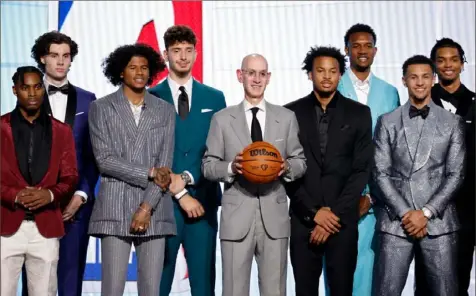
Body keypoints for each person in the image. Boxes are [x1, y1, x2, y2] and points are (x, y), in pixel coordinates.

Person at [202, 53, 306, 296]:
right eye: (251, 73)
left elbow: (300, 161)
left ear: (268, 78)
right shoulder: (222, 119)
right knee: (234, 291)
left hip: (275, 218)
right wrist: (231, 167)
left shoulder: (286, 117)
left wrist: (286, 167)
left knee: (274, 292)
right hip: (236, 216)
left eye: (262, 74)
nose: (256, 79)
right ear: (240, 76)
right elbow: (208, 166)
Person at [372, 55, 465, 296]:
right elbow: (380, 174)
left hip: (438, 222)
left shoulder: (452, 122)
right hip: (396, 222)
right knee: (385, 292)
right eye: (414, 77)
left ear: (434, 80)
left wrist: (425, 213)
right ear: (404, 81)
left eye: (425, 76)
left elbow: (456, 174)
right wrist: (407, 214)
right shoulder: (387, 121)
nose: (420, 83)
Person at [87, 43, 175, 296]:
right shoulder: (101, 108)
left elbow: (165, 167)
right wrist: (148, 171)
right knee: (112, 290)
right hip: (115, 207)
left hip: (154, 208)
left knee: (151, 290)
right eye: (132, 67)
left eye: (144, 67)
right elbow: (104, 160)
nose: (139, 72)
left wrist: (146, 207)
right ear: (120, 72)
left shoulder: (165, 111)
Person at [284, 46, 372, 296]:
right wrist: (314, 213)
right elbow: (285, 169)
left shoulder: (359, 114)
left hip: (342, 221)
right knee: (305, 290)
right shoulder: (290, 112)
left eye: (333, 71)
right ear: (309, 74)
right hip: (303, 220)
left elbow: (361, 170)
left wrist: (332, 215)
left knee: (342, 289)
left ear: (340, 75)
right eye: (320, 70)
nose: (326, 76)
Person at [322, 23, 400, 296]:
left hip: (376, 199)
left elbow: (393, 151)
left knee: (369, 269)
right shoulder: (333, 86)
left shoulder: (389, 93)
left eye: (368, 45)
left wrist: (374, 197)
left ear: (376, 51)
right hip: (339, 196)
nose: (362, 50)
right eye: (356, 45)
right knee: (338, 271)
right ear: (346, 50)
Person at [148, 25, 227, 296]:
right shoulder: (151, 97)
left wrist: (189, 177)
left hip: (203, 200)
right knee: (158, 281)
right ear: (165, 54)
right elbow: (148, 151)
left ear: (196, 53)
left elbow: (219, 149)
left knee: (203, 283)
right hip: (160, 202)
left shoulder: (215, 98)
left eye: (188, 50)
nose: (182, 56)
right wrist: (176, 187)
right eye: (176, 51)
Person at [21, 30, 99, 296]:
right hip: (35, 206)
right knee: (34, 280)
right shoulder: (26, 97)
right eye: (54, 55)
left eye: (66, 56)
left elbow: (93, 156)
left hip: (75, 206)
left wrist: (81, 194)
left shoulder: (89, 100)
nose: (60, 62)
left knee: (70, 278)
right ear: (43, 58)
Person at [1, 66, 79, 296]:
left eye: (37, 87)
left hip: (45, 228)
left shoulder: (62, 131)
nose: (32, 93)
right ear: (15, 90)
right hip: (6, 227)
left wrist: (50, 195)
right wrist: (14, 195)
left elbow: (70, 176)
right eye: (26, 88)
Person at [414, 37, 475, 296]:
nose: (448, 65)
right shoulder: (420, 104)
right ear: (434, 66)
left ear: (463, 63)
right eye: (441, 60)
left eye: (454, 60)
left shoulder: (474, 102)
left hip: (467, 208)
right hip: (428, 207)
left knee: (459, 277)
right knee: (428, 281)